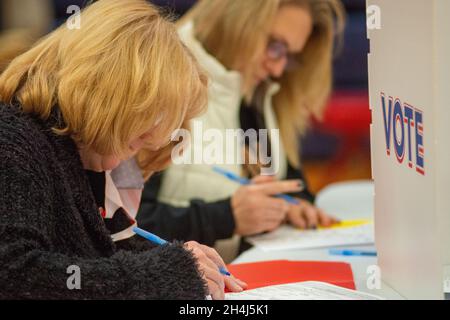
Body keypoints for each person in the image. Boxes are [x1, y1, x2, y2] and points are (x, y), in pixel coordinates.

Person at [0, 0, 245, 299]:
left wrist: (177, 258)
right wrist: (164, 271)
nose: (154, 138)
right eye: (149, 119)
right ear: (113, 92)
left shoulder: (81, 151)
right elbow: (14, 275)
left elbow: (103, 256)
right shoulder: (13, 139)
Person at [137, 0, 345, 261]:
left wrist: (293, 205)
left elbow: (289, 181)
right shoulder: (159, 79)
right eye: (275, 46)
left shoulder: (260, 92)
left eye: (289, 56)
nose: (278, 69)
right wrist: (228, 216)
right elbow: (123, 226)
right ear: (237, 20)